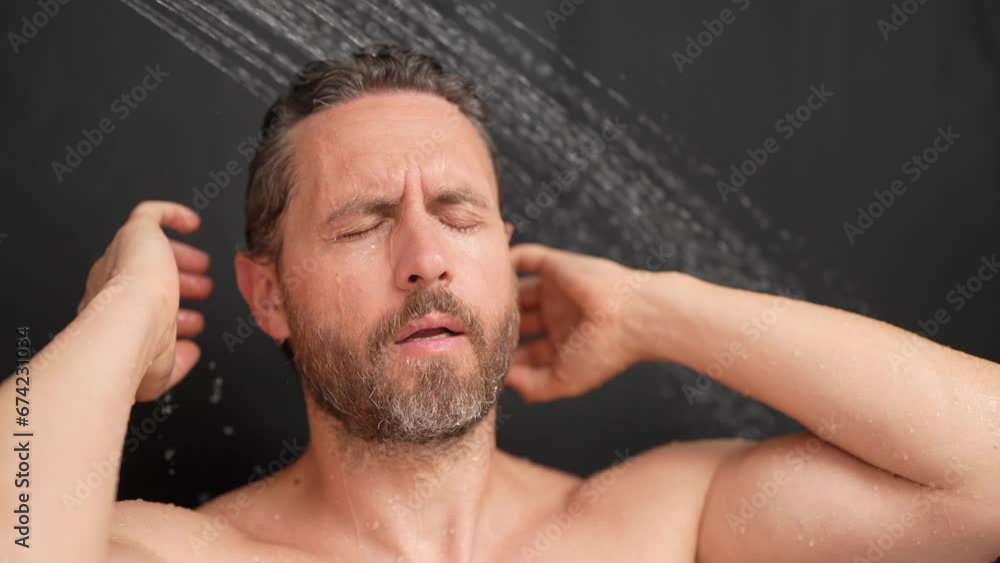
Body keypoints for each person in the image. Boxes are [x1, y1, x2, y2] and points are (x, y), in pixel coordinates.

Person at [4, 43, 998, 563]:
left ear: (504, 258)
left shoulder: (667, 525)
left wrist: (668, 310)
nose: (425, 257)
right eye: (362, 221)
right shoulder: (177, 548)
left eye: (459, 212)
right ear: (268, 295)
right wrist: (120, 317)